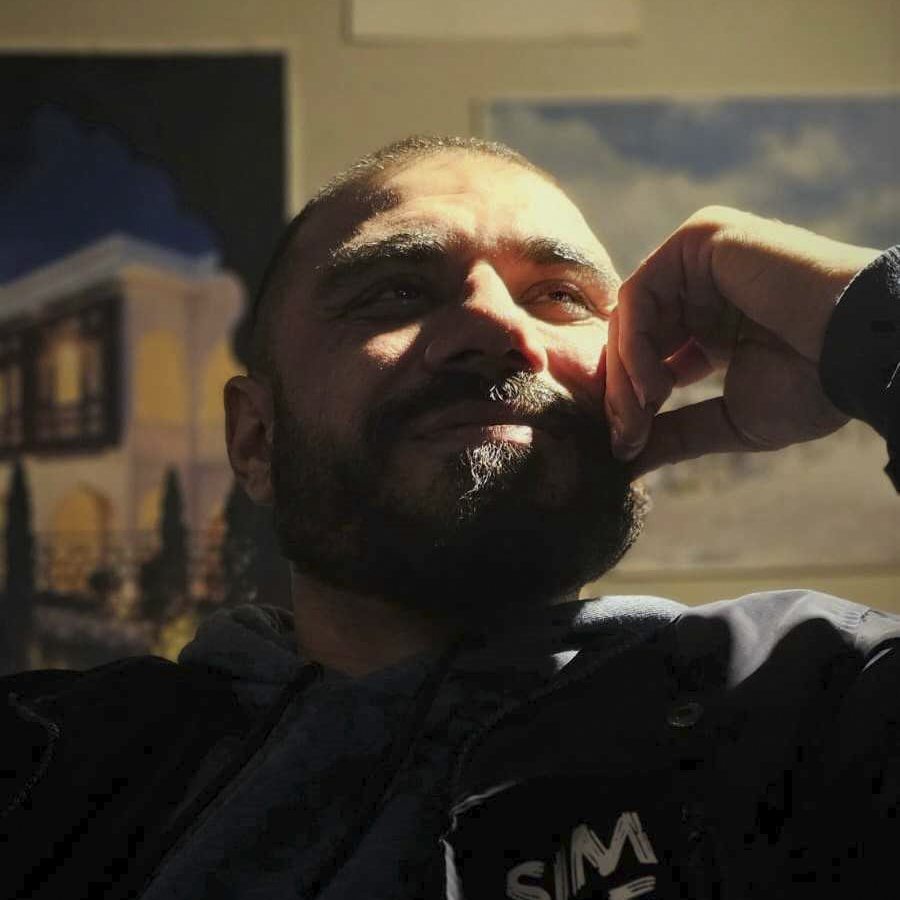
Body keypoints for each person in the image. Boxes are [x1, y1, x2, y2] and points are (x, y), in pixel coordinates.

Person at [1, 135, 898, 899]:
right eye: (395, 290)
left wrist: (867, 321)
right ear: (256, 438)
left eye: (561, 296)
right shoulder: (46, 762)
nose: (496, 326)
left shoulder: (815, 699)